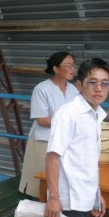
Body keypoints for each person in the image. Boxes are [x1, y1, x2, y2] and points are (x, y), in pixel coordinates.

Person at [45, 58, 109, 217]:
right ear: (80, 85)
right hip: (68, 200)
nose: (99, 88)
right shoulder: (69, 114)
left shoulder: (96, 114)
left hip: (83, 196)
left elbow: (87, 161)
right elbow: (52, 157)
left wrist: (96, 193)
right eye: (93, 82)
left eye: (104, 83)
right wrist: (54, 199)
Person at [19, 52, 79, 199]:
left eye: (73, 65)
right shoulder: (42, 89)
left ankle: (54, 206)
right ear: (56, 69)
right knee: (39, 179)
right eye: (68, 65)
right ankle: (36, 209)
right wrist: (69, 123)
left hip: (64, 140)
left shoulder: (74, 89)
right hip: (43, 140)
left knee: (58, 180)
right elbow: (42, 120)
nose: (73, 69)